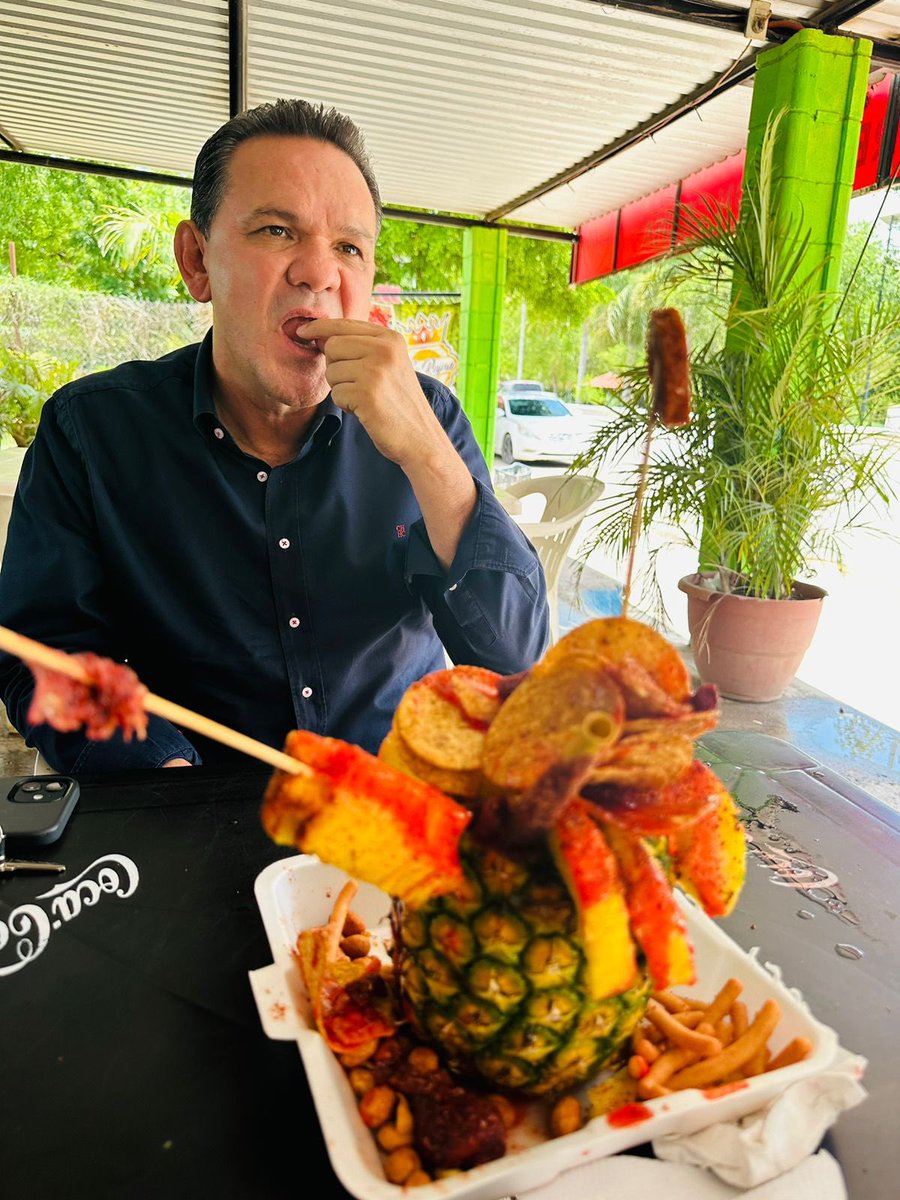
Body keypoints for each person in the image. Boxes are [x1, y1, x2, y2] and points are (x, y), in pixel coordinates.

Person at [0, 99, 549, 771]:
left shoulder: (430, 419)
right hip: (192, 806)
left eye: (349, 247)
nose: (319, 272)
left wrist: (429, 456)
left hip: (390, 800)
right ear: (197, 261)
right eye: (276, 231)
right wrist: (161, 775)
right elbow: (41, 655)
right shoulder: (92, 433)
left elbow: (514, 661)